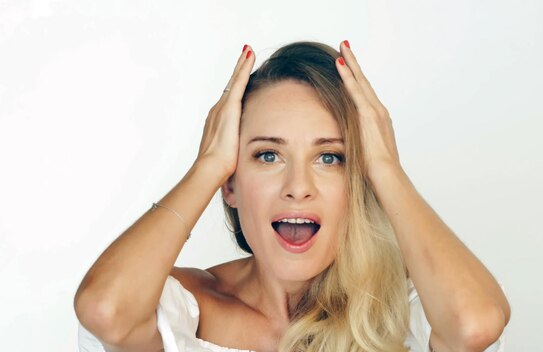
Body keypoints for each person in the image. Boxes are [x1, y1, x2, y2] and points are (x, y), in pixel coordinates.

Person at [74, 40, 510, 352]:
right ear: (229, 183)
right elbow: (106, 310)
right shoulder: (183, 307)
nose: (297, 186)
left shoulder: (401, 311)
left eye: (330, 158)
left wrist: (387, 171)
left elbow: (475, 327)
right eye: (268, 155)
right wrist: (206, 166)